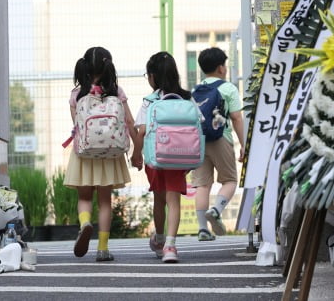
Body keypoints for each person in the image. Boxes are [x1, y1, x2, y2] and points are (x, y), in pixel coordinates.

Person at [64, 47, 137, 261]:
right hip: (110, 154)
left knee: (84, 197)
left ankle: (85, 222)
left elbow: (77, 125)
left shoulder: (77, 95)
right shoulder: (116, 92)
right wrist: (137, 150)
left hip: (84, 154)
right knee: (105, 201)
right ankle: (103, 248)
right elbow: (130, 122)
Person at [131, 52, 192, 263]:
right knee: (173, 200)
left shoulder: (151, 101)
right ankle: (171, 246)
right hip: (180, 157)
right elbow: (196, 124)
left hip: (156, 158)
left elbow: (140, 132)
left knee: (159, 198)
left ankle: (159, 238)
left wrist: (136, 155)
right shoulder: (186, 98)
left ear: (154, 76)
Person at [192, 47, 245, 241]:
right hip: (221, 138)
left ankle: (202, 229)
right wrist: (244, 145)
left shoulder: (195, 90)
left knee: (202, 185)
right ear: (221, 68)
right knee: (230, 180)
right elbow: (237, 117)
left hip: (199, 141)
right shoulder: (228, 88)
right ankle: (216, 209)